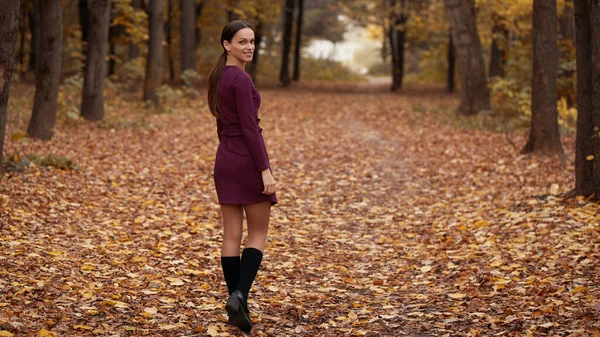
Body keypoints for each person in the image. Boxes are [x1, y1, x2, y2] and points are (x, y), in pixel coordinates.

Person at [207, 20, 277, 333]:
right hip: (247, 162)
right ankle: (240, 295)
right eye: (241, 42)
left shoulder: (219, 78)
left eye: (251, 41)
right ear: (227, 45)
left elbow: (224, 126)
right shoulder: (241, 80)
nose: (248, 46)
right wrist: (265, 168)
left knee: (231, 234)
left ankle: (237, 307)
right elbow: (251, 128)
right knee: (258, 232)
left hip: (224, 161)